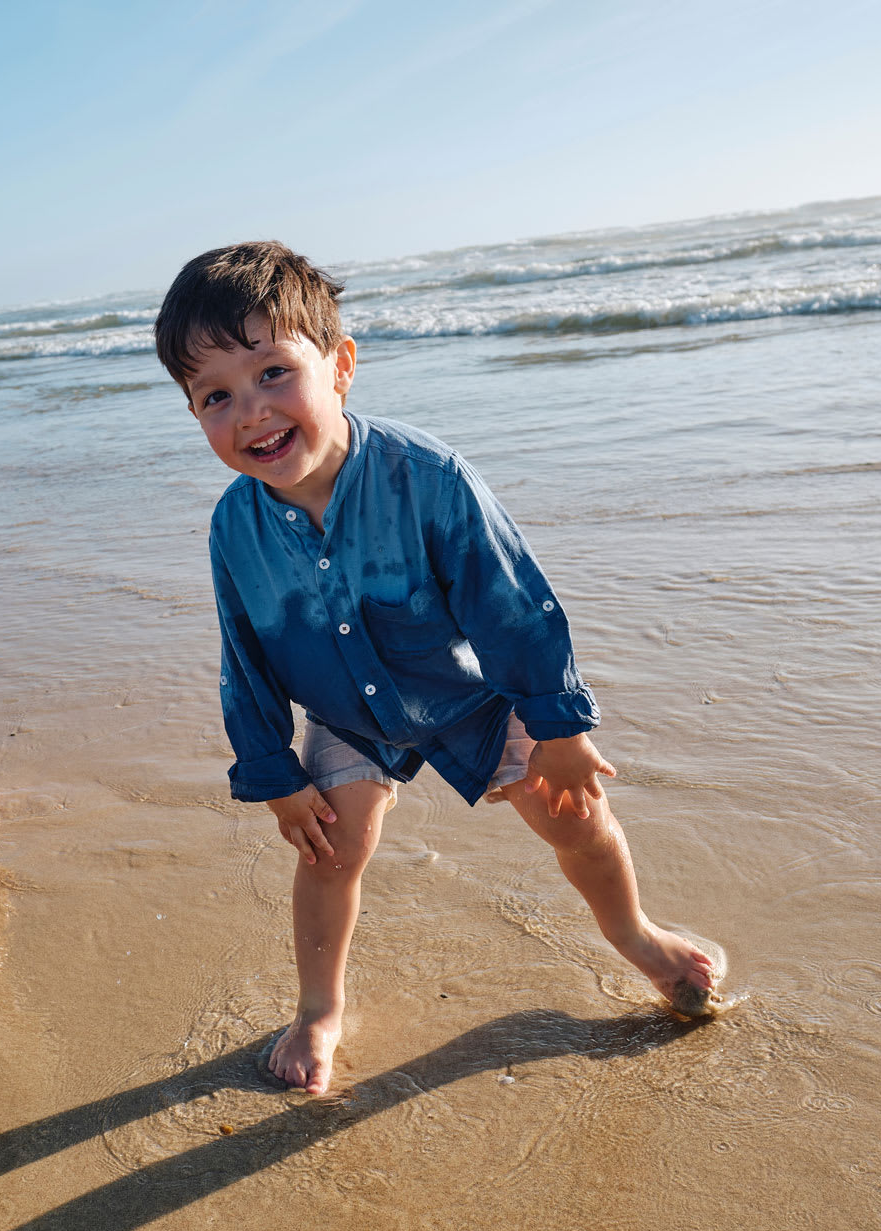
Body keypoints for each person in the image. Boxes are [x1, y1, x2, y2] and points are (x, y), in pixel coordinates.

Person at [155, 241, 724, 1094]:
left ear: (340, 367)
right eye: (216, 396)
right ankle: (318, 1008)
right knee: (327, 855)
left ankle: (638, 936)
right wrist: (273, 771)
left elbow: (512, 601)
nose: (251, 412)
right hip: (346, 711)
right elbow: (244, 655)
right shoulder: (234, 529)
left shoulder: (427, 478)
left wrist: (559, 729)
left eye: (274, 372)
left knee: (574, 818)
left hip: (475, 695)